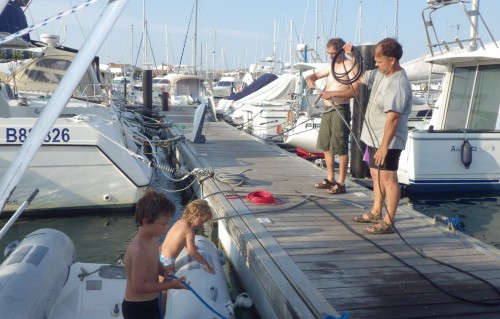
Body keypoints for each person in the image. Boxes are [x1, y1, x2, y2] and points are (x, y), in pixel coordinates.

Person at [345, 38, 412, 234]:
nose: (376, 64)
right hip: (372, 136)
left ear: (392, 60)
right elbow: (361, 77)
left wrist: (384, 147)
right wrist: (352, 56)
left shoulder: (398, 83)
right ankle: (376, 210)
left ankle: (388, 221)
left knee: (388, 178)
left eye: (379, 60)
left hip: (388, 142)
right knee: (375, 174)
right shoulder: (381, 73)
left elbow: (393, 118)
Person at [122, 188, 186, 319]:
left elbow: (154, 261)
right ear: (146, 222)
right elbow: (138, 287)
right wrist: (170, 285)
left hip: (152, 301)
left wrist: (164, 272)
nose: (166, 228)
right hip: (137, 308)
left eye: (167, 223)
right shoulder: (139, 249)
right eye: (163, 224)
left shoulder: (153, 238)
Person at [307, 38, 359, 195]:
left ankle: (341, 183)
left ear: (341, 51)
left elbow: (355, 91)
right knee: (326, 146)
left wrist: (333, 93)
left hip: (340, 109)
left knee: (341, 148)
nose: (330, 56)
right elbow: (311, 77)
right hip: (327, 109)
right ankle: (330, 178)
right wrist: (312, 84)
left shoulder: (351, 66)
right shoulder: (330, 66)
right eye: (328, 53)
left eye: (333, 53)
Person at [160, 199, 215, 275]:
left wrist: (192, 246)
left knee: (161, 281)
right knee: (165, 283)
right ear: (195, 215)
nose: (201, 225)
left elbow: (181, 240)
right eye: (201, 221)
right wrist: (206, 264)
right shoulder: (189, 231)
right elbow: (192, 252)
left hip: (161, 256)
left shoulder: (179, 222)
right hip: (168, 262)